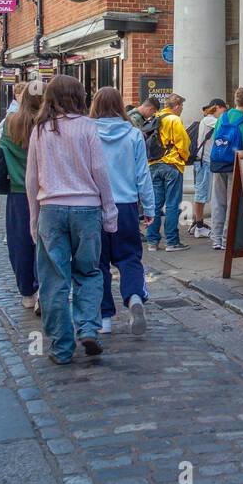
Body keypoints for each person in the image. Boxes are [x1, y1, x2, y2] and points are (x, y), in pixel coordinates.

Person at [25, 75, 118, 365]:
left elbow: (32, 178)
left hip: (51, 208)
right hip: (87, 209)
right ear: (79, 96)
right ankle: (89, 328)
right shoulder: (88, 127)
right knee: (89, 273)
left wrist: (33, 216)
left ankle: (62, 347)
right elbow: (100, 169)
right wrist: (110, 209)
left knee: (54, 280)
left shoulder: (40, 130)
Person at [91, 88, 155, 336]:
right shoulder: (134, 134)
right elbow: (142, 175)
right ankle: (135, 297)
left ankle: (105, 318)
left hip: (95, 205)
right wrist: (149, 208)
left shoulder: (88, 133)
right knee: (129, 258)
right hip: (126, 205)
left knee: (98, 264)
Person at [0, 83, 45, 314]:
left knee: (20, 243)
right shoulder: (48, 124)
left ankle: (28, 292)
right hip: (46, 191)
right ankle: (44, 289)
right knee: (45, 243)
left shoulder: (9, 124)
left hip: (18, 190)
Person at [208, 86, 243, 251]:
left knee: (217, 201)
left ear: (236, 100)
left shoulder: (223, 117)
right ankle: (228, 238)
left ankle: (216, 238)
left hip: (218, 164)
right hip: (235, 165)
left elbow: (216, 138)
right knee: (232, 202)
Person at [144, 92, 190, 251]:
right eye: (181, 106)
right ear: (176, 106)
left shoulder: (155, 117)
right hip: (171, 164)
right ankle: (171, 241)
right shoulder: (174, 119)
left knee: (155, 205)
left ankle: (152, 241)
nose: (182, 109)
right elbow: (183, 143)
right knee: (172, 204)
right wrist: (183, 159)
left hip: (154, 165)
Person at [189, 98, 226, 239]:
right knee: (201, 194)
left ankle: (196, 224)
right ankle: (199, 226)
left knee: (201, 193)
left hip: (205, 162)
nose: (224, 113)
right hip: (204, 162)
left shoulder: (208, 120)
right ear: (217, 107)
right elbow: (225, 124)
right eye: (223, 110)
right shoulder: (209, 120)